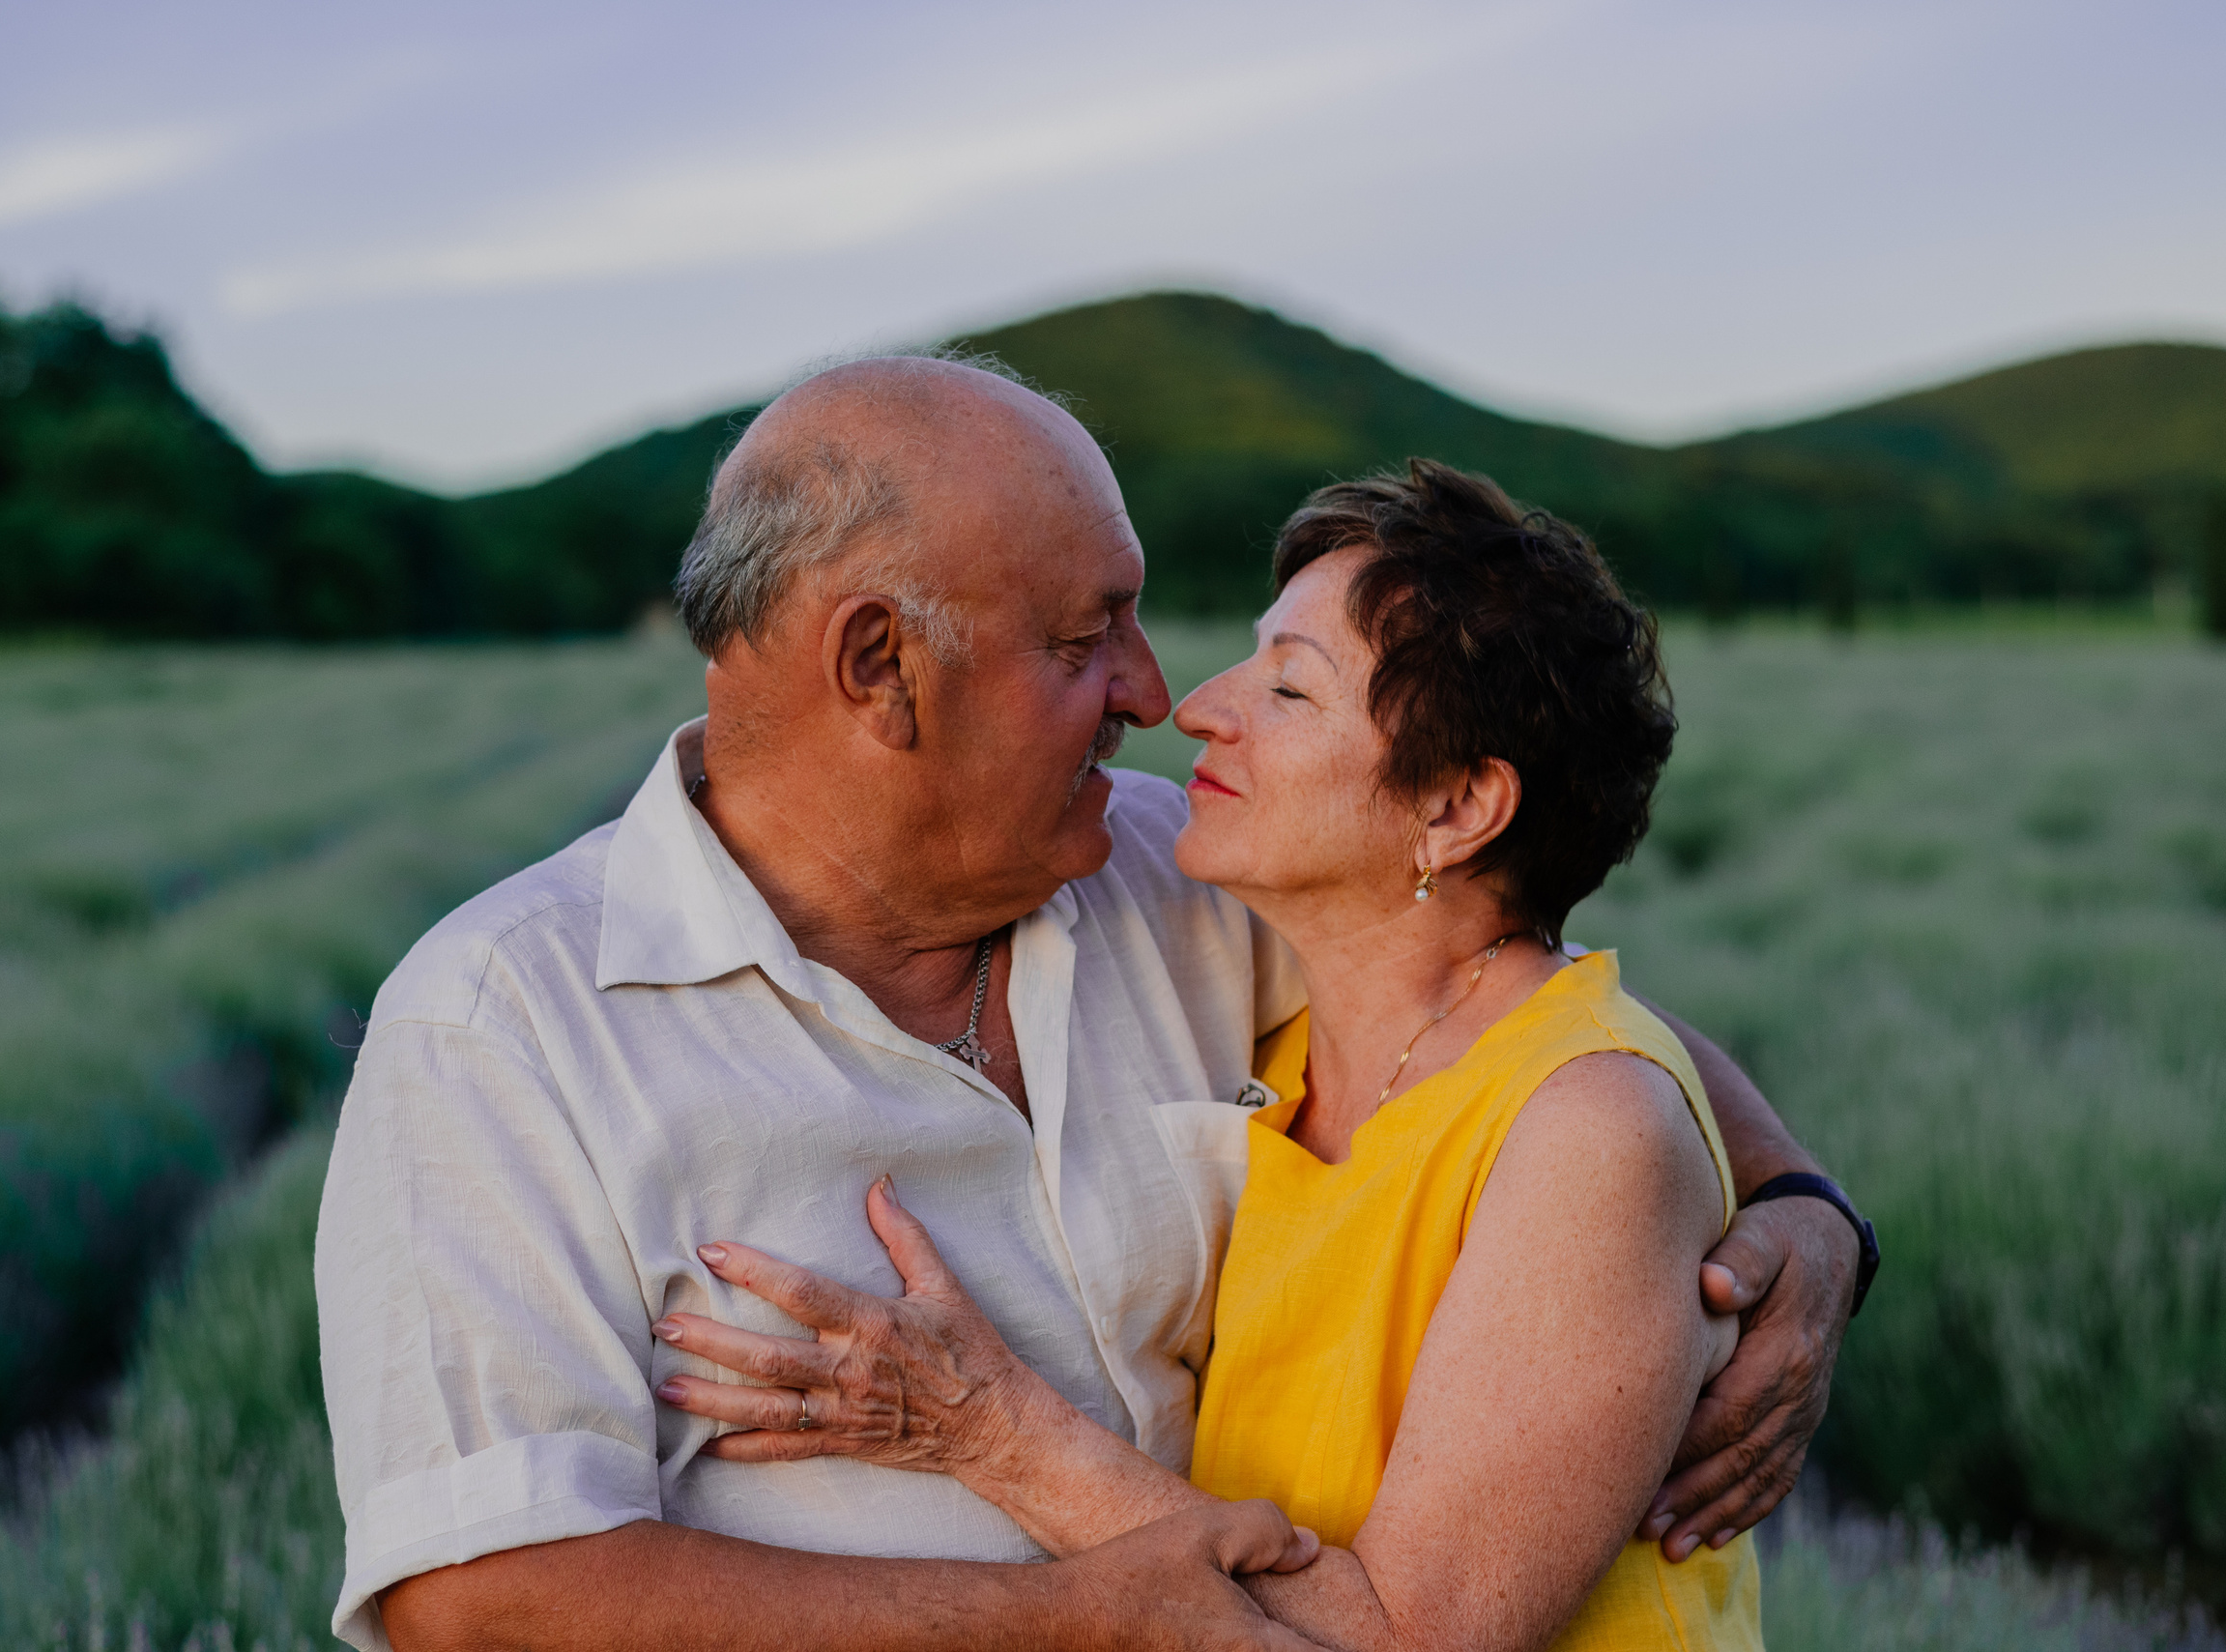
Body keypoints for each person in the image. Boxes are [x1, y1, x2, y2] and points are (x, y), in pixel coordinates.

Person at [314, 360, 1864, 1652]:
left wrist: (1800, 1211)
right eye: (1083, 636)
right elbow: (485, 1592)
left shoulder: (1164, 870)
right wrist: (1055, 1618)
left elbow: (1502, 1011)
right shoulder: (503, 1030)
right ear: (884, 668)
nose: (1153, 688)